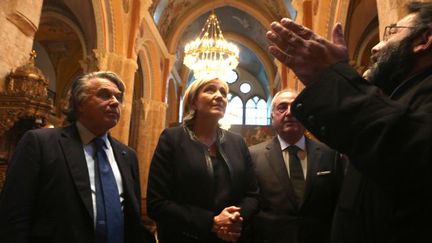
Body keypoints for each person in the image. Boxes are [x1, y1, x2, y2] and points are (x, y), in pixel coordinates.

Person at [266, 1, 432, 242]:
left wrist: (333, 77)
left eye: (391, 32)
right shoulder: (402, 98)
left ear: (424, 41)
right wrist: (342, 77)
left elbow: (413, 149)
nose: (375, 48)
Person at [0, 71, 155, 243]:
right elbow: (14, 216)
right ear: (79, 102)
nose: (115, 102)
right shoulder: (41, 143)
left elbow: (131, 221)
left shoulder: (127, 156)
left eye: (118, 97)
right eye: (105, 95)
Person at [147, 77, 259, 243]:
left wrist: (234, 219)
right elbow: (157, 203)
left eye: (223, 92)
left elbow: (253, 195)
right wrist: (211, 223)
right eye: (210, 90)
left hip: (230, 238)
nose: (219, 96)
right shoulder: (172, 139)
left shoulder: (238, 142)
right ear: (193, 102)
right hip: (185, 237)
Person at [249, 89, 344, 243]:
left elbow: (338, 203)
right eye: (282, 107)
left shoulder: (329, 154)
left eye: (296, 107)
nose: (289, 113)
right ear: (272, 115)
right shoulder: (253, 156)